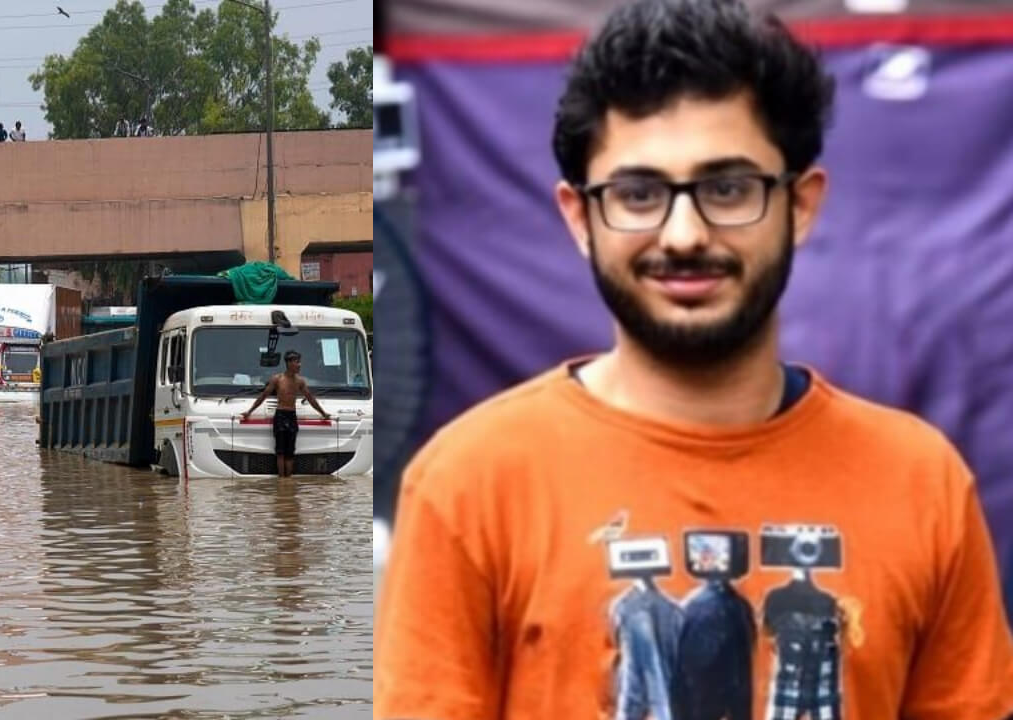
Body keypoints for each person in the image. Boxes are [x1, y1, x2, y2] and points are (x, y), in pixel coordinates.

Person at [374, 0, 1013, 718]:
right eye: (638, 194)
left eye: (727, 188)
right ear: (580, 217)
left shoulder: (923, 485)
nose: (683, 233)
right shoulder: (467, 485)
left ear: (800, 205)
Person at [240, 350, 331, 477]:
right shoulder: (277, 379)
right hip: (280, 416)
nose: (299, 365)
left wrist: (323, 413)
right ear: (289, 363)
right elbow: (263, 396)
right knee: (280, 451)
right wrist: (249, 411)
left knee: (290, 452)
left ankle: (288, 481)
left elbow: (310, 398)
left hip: (292, 416)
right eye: (296, 362)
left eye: (299, 362)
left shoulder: (300, 381)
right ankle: (281, 481)